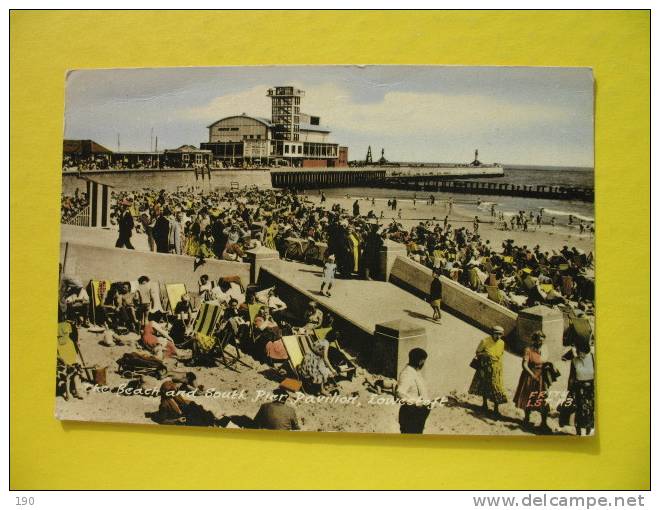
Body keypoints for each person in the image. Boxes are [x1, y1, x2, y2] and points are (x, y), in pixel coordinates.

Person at [513, 331, 550, 431]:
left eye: (542, 340)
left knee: (543, 398)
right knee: (529, 397)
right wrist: (532, 375)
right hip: (530, 376)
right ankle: (526, 419)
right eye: (539, 340)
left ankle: (544, 423)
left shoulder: (544, 349)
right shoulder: (528, 350)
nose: (541, 342)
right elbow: (524, 365)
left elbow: (546, 361)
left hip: (541, 377)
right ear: (534, 340)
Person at [469, 325, 508, 415]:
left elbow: (501, 354)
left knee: (497, 387)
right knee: (485, 385)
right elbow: (478, 353)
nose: (498, 336)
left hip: (497, 367)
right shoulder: (485, 341)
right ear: (492, 333)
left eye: (500, 335)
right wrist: (486, 355)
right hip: (485, 366)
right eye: (496, 334)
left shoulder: (502, 343)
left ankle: (496, 408)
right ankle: (485, 404)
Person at [562, 339, 595, 435]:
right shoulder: (574, 361)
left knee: (591, 409)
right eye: (577, 351)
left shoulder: (593, 358)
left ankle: (590, 428)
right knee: (582, 410)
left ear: (586, 350)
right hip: (579, 389)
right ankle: (582, 431)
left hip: (591, 388)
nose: (578, 353)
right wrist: (569, 390)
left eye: (580, 351)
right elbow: (571, 377)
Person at [397, 348, 431, 434]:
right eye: (423, 361)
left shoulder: (414, 372)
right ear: (420, 361)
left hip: (417, 415)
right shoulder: (407, 373)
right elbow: (400, 392)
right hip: (411, 414)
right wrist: (416, 403)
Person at [299, 331, 337, 396]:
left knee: (323, 368)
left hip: (307, 360)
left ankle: (318, 388)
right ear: (333, 339)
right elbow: (325, 358)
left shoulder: (320, 339)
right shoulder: (326, 344)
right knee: (323, 372)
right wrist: (332, 369)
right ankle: (322, 390)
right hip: (312, 362)